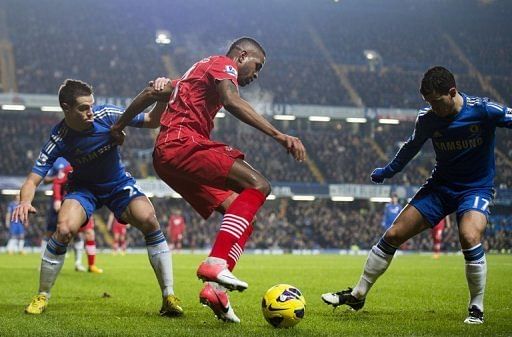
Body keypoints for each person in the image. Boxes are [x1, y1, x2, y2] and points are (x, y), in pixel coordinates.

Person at [111, 37, 306, 323]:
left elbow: (150, 91)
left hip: (167, 157)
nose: (256, 74)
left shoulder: (191, 77)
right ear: (241, 56)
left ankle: (215, 291)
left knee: (242, 216)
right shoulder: (222, 64)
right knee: (259, 185)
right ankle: (215, 264)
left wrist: (119, 125)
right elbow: (231, 100)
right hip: (183, 144)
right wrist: (279, 135)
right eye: (257, 65)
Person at [321, 66, 511, 324]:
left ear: (452, 92)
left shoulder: (484, 110)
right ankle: (358, 294)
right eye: (428, 102)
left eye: (435, 101)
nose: (432, 107)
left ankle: (476, 308)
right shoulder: (429, 118)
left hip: (475, 188)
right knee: (393, 234)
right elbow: (411, 148)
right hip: (440, 188)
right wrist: (388, 171)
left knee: (468, 235)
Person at [14, 79, 183, 317]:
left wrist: (161, 100)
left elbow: (151, 121)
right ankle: (42, 295)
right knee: (63, 230)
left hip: (117, 184)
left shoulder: (106, 114)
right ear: (66, 108)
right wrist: (24, 201)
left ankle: (168, 296)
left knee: (149, 219)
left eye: (91, 106)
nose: (90, 112)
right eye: (83, 108)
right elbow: (32, 180)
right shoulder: (59, 137)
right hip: (84, 189)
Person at [41, 158, 87, 271]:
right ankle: (42, 262)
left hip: (79, 203)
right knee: (50, 232)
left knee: (79, 233)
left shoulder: (88, 164)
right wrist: (57, 199)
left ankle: (78, 263)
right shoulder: (64, 164)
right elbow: (56, 182)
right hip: (62, 202)